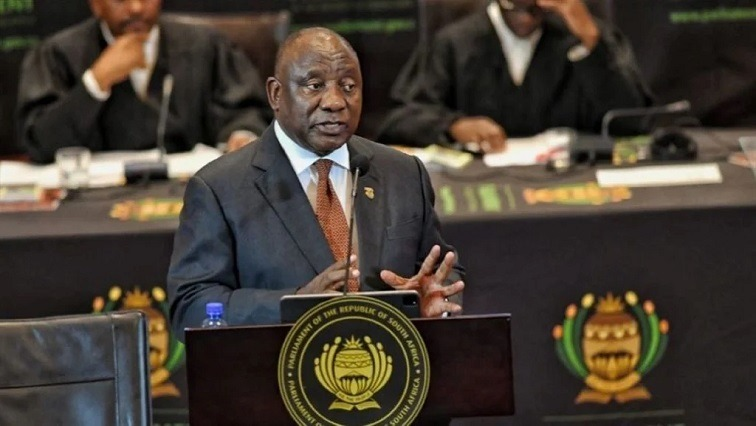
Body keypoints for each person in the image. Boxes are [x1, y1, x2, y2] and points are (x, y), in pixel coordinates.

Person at [167, 27, 465, 336]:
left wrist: (433, 298)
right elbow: (191, 307)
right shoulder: (219, 188)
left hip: (386, 359)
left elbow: (441, 271)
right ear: (276, 94)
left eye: (348, 86)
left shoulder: (403, 173)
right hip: (276, 363)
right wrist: (295, 304)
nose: (335, 102)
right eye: (314, 85)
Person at [377, 0, 652, 153]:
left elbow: (633, 121)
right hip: (479, 182)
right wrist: (453, 125)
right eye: (515, 6)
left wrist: (592, 44)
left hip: (567, 178)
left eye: (535, 9)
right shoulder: (455, 43)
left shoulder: (578, 37)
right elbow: (401, 119)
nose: (527, 18)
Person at [16, 0, 269, 164]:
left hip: (191, 192)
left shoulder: (206, 46)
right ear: (95, 5)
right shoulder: (57, 54)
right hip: (89, 204)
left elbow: (246, 111)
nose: (136, 8)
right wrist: (95, 83)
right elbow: (40, 143)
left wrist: (242, 135)